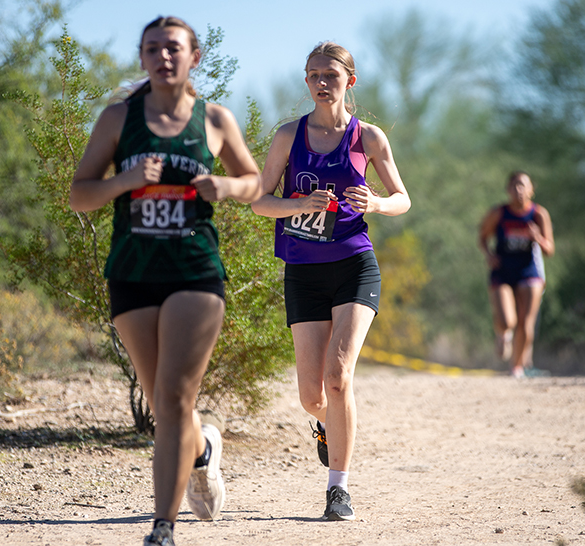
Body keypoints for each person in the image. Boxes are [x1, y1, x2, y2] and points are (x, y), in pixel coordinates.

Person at [70, 16, 261, 546]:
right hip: (132, 272)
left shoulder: (215, 119)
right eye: (152, 49)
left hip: (194, 271)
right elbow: (80, 194)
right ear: (143, 59)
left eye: (173, 48)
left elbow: (255, 181)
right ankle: (200, 450)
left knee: (176, 395)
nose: (163, 57)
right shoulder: (117, 119)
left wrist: (225, 186)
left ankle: (163, 527)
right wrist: (126, 180)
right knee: (162, 400)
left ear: (193, 57)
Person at [251, 42, 410, 521]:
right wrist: (298, 204)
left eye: (331, 75)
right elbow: (260, 201)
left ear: (350, 82)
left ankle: (337, 489)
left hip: (354, 266)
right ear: (306, 82)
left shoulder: (369, 138)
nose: (322, 82)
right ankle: (330, 426)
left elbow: (403, 198)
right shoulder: (287, 137)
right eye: (313, 75)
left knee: (339, 379)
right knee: (312, 396)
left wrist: (376, 204)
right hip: (303, 270)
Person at [478, 171, 554, 378]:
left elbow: (549, 250)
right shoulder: (499, 213)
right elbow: (482, 235)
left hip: (530, 271)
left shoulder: (539, 215)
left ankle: (517, 367)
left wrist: (537, 237)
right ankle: (503, 333)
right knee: (507, 319)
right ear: (507, 190)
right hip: (502, 270)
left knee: (526, 322)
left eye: (523, 185)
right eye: (514, 186)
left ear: (532, 190)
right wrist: (489, 254)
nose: (518, 190)